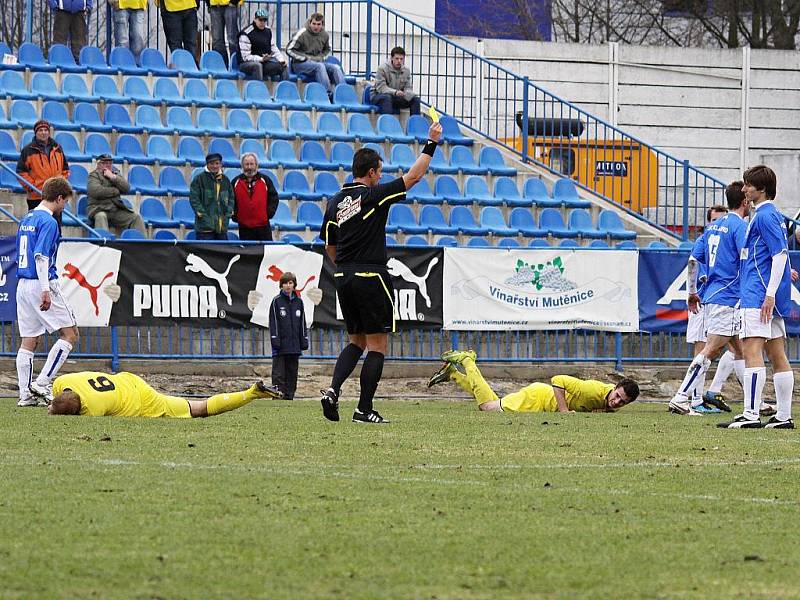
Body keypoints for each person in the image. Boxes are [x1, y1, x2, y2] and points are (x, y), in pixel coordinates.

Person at [318, 119, 443, 424]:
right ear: (371, 173)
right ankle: (363, 409)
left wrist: (347, 266)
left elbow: (329, 247)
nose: (381, 175)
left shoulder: (335, 203)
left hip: (343, 276)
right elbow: (413, 177)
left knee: (355, 341)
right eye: (380, 171)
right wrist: (432, 142)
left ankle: (333, 390)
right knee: (377, 345)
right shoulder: (373, 196)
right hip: (371, 275)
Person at [719, 165, 795, 429]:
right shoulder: (767, 216)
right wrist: (784, 276)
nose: (744, 189)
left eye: (748, 185)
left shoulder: (765, 216)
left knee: (751, 350)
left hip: (758, 294)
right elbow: (774, 255)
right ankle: (783, 416)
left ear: (761, 189)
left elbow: (779, 255)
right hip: (763, 293)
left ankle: (751, 414)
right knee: (777, 353)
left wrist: (770, 294)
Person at [669, 184, 749, 416]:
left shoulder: (712, 228)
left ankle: (754, 403)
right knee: (710, 350)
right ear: (745, 201)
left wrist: (692, 291)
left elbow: (693, 261)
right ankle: (681, 397)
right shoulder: (739, 227)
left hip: (711, 294)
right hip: (729, 296)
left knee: (740, 349)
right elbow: (746, 262)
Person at [15, 177, 79, 407]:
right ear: (59, 198)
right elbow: (41, 257)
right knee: (70, 334)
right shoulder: (49, 222)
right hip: (41, 282)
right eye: (65, 202)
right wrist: (45, 289)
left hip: (22, 283)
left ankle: (25, 394)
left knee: (29, 340)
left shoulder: (27, 218)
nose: (65, 206)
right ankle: (42, 383)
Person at [427, 350, 639, 413]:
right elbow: (558, 380)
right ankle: (467, 360)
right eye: (617, 397)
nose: (616, 402)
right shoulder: (591, 389)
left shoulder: (610, 401)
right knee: (486, 408)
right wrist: (564, 412)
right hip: (537, 399)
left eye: (622, 402)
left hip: (539, 399)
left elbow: (599, 408)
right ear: (615, 387)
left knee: (491, 400)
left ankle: (452, 374)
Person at [48, 371, 283, 417]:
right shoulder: (63, 381)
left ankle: (252, 393)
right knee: (195, 407)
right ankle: (253, 392)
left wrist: (55, 412)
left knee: (197, 409)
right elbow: (59, 399)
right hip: (129, 379)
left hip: (144, 402)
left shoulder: (94, 408)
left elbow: (67, 410)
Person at [269, 271, 308, 400]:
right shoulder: (276, 301)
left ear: (294, 285)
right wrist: (275, 340)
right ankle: (278, 395)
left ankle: (289, 397)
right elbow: (273, 322)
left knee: (292, 372)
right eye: (285, 283)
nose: (287, 286)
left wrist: (303, 341)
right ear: (281, 285)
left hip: (294, 345)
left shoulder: (299, 302)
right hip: (280, 345)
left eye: (290, 283)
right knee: (279, 373)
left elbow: (302, 323)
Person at [16, 120, 70, 213]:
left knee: (55, 225)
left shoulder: (58, 148)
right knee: (38, 225)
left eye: (46, 130)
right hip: (37, 197)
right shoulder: (28, 150)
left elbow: (65, 170)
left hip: (56, 197)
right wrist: (32, 187)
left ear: (49, 132)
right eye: (40, 130)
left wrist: (60, 187)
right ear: (36, 133)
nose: (43, 133)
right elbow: (21, 172)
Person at [285, 12, 345, 95]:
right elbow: (289, 50)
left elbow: (327, 49)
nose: (316, 27)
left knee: (336, 68)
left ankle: (343, 93)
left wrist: (322, 57)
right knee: (319, 66)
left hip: (317, 61)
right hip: (300, 64)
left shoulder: (325, 35)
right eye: (314, 24)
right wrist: (304, 58)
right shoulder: (302, 33)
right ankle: (327, 94)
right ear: (310, 23)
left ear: (322, 24)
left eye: (318, 24)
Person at [86, 153, 146, 236]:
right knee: (101, 216)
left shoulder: (115, 174)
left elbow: (126, 188)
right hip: (98, 208)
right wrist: (115, 191)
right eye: (105, 163)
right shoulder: (93, 176)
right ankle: (103, 244)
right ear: (99, 164)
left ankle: (142, 244)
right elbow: (96, 192)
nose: (108, 165)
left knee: (136, 217)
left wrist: (113, 177)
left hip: (115, 209)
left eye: (110, 163)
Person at [231, 152, 279, 241]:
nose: (249, 167)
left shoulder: (265, 180)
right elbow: (229, 200)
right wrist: (235, 216)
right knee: (247, 254)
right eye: (246, 164)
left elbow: (274, 198)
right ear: (242, 166)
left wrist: (268, 214)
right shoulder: (235, 182)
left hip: (263, 227)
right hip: (244, 228)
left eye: (251, 164)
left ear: (256, 165)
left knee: (266, 253)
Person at [189, 152, 234, 240]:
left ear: (220, 164)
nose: (214, 166)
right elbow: (194, 199)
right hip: (204, 230)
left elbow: (231, 199)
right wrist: (203, 217)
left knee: (222, 253)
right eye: (211, 163)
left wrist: (228, 215)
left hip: (222, 229)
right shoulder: (199, 179)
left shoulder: (225, 180)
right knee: (205, 254)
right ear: (207, 164)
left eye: (217, 163)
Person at [236, 8, 288, 81]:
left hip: (264, 62)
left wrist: (281, 60)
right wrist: (261, 59)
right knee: (257, 66)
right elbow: (245, 57)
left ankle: (285, 90)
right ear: (255, 19)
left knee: (283, 66)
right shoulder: (246, 33)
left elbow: (273, 47)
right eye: (260, 20)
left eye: (264, 20)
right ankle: (258, 90)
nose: (262, 22)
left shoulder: (267, 31)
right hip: (246, 64)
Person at [370, 47, 421, 116]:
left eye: (401, 59)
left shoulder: (406, 71)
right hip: (378, 96)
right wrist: (395, 92)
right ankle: (388, 125)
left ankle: (415, 125)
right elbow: (381, 88)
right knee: (387, 98)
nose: (399, 61)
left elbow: (408, 87)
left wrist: (408, 94)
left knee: (415, 99)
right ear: (391, 58)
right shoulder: (382, 68)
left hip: (395, 97)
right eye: (397, 58)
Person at [209, 0, 242, 68]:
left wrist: (234, 2)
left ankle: (236, 66)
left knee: (232, 39)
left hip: (230, 6)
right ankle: (221, 66)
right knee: (217, 40)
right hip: (214, 5)